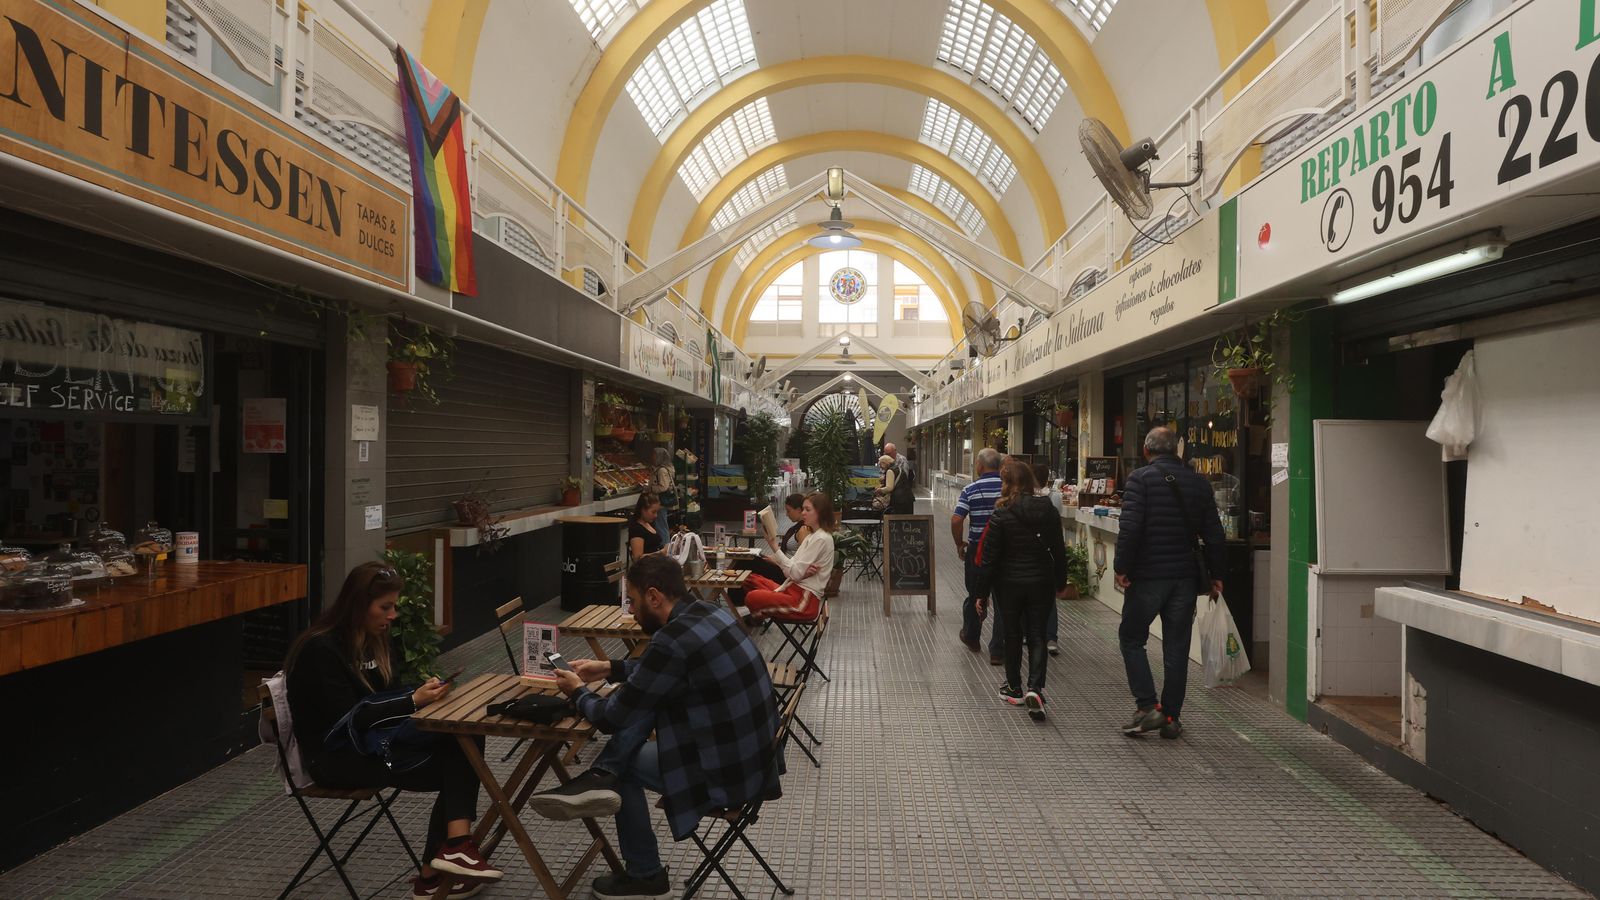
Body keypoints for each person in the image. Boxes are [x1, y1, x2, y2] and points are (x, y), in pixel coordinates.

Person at [526, 555, 778, 900]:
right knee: (652, 699)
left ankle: (644, 873)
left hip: (728, 774)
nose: (630, 610)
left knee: (624, 765)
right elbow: (664, 671)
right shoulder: (709, 611)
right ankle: (600, 775)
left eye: (632, 600)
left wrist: (578, 692)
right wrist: (609, 668)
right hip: (757, 757)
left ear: (655, 596)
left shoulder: (671, 640)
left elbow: (609, 718)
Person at [285, 562, 501, 900]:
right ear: (358, 605)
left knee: (466, 738)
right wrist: (412, 700)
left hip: (376, 744)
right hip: (337, 758)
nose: (393, 615)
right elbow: (349, 720)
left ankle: (450, 855)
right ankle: (442, 863)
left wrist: (421, 692)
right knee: (458, 760)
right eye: (385, 606)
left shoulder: (376, 640)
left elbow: (387, 695)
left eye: (394, 605)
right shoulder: (320, 650)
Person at [1114, 426, 1227, 740]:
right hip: (1185, 578)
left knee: (1132, 638)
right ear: (1176, 451)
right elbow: (1214, 535)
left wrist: (1121, 566)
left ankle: (1147, 706)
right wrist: (1217, 574)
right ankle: (1171, 716)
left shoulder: (1140, 479)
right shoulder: (1199, 484)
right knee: (1177, 647)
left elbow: (1131, 527)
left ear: (1147, 450)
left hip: (1149, 575)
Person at [977, 460, 1069, 721]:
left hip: (1009, 584)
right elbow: (1058, 550)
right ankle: (1035, 688)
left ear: (1007, 484)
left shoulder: (1001, 513)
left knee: (1013, 633)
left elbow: (990, 559)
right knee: (1038, 634)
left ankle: (1014, 687)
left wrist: (981, 594)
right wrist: (1060, 582)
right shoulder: (1048, 510)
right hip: (1041, 581)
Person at [744, 492, 836, 622]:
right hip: (792, 589)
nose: (803, 512)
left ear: (820, 513)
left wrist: (774, 546)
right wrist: (798, 573)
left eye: (807, 509)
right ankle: (756, 613)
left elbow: (793, 573)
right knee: (750, 579)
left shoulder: (821, 538)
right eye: (803, 509)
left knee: (752, 597)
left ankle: (751, 615)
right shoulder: (812, 536)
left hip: (803, 602)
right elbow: (791, 571)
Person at [953, 448, 1005, 664]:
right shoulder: (1008, 489)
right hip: (1004, 551)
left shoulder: (971, 489)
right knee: (1002, 599)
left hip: (979, 550)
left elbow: (957, 520)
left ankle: (972, 637)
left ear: (980, 466)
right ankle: (997, 650)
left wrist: (959, 544)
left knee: (975, 593)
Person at [1031, 461, 1063, 657]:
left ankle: (1031, 634)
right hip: (1049, 552)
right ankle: (1051, 637)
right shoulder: (1055, 497)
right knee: (1049, 598)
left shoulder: (1022, 498)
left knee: (1029, 597)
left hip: (1030, 554)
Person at [628, 491, 664, 562]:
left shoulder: (650, 523)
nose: (656, 515)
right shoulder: (637, 529)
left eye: (657, 512)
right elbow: (638, 559)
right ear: (643, 510)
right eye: (653, 512)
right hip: (647, 570)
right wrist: (662, 552)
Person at [884, 441, 916, 514]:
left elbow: (904, 477)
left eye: (889, 453)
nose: (887, 455)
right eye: (885, 453)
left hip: (902, 497)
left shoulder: (902, 460)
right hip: (897, 496)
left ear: (895, 451)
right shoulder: (886, 460)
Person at [649, 448, 675, 539]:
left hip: (660, 501)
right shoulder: (664, 469)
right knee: (661, 524)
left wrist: (651, 488)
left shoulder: (662, 470)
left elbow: (664, 487)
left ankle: (665, 547)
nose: (652, 457)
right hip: (661, 501)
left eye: (654, 455)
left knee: (661, 525)